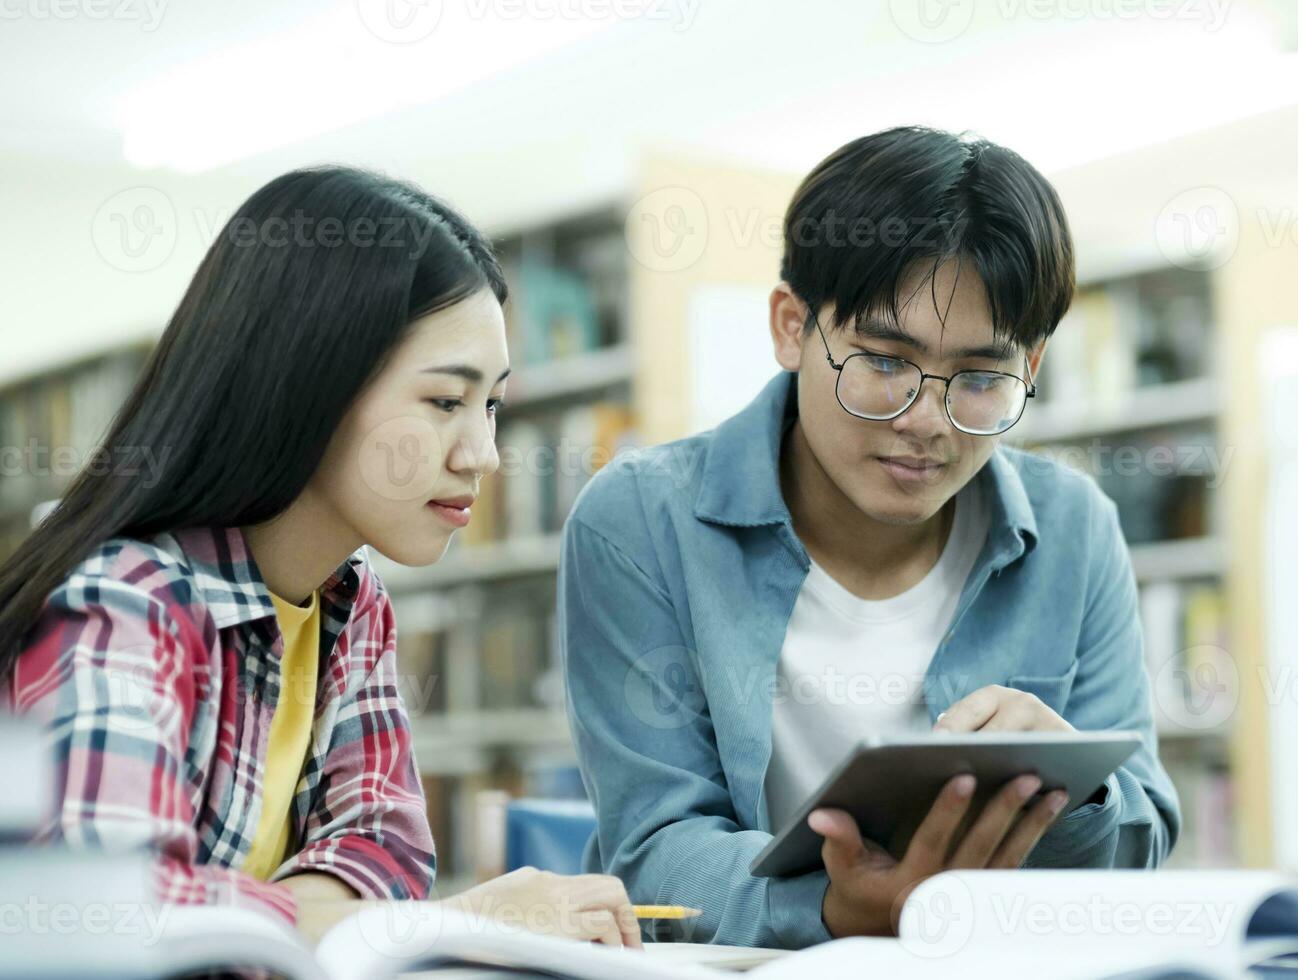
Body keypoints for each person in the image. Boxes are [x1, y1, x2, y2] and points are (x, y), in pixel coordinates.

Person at [560, 126, 1181, 948]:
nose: (927, 422)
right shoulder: (639, 522)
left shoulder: (1075, 527)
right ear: (792, 327)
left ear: (1029, 369)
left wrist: (1077, 792)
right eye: (884, 361)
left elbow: (1141, 835)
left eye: (982, 379)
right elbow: (653, 854)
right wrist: (829, 908)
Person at [0, 166, 640, 947]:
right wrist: (445, 920)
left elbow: (388, 852)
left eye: (493, 404)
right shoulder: (127, 605)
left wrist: (277, 919)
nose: (485, 454)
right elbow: (106, 918)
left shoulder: (352, 602)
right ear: (311, 381)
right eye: (446, 401)